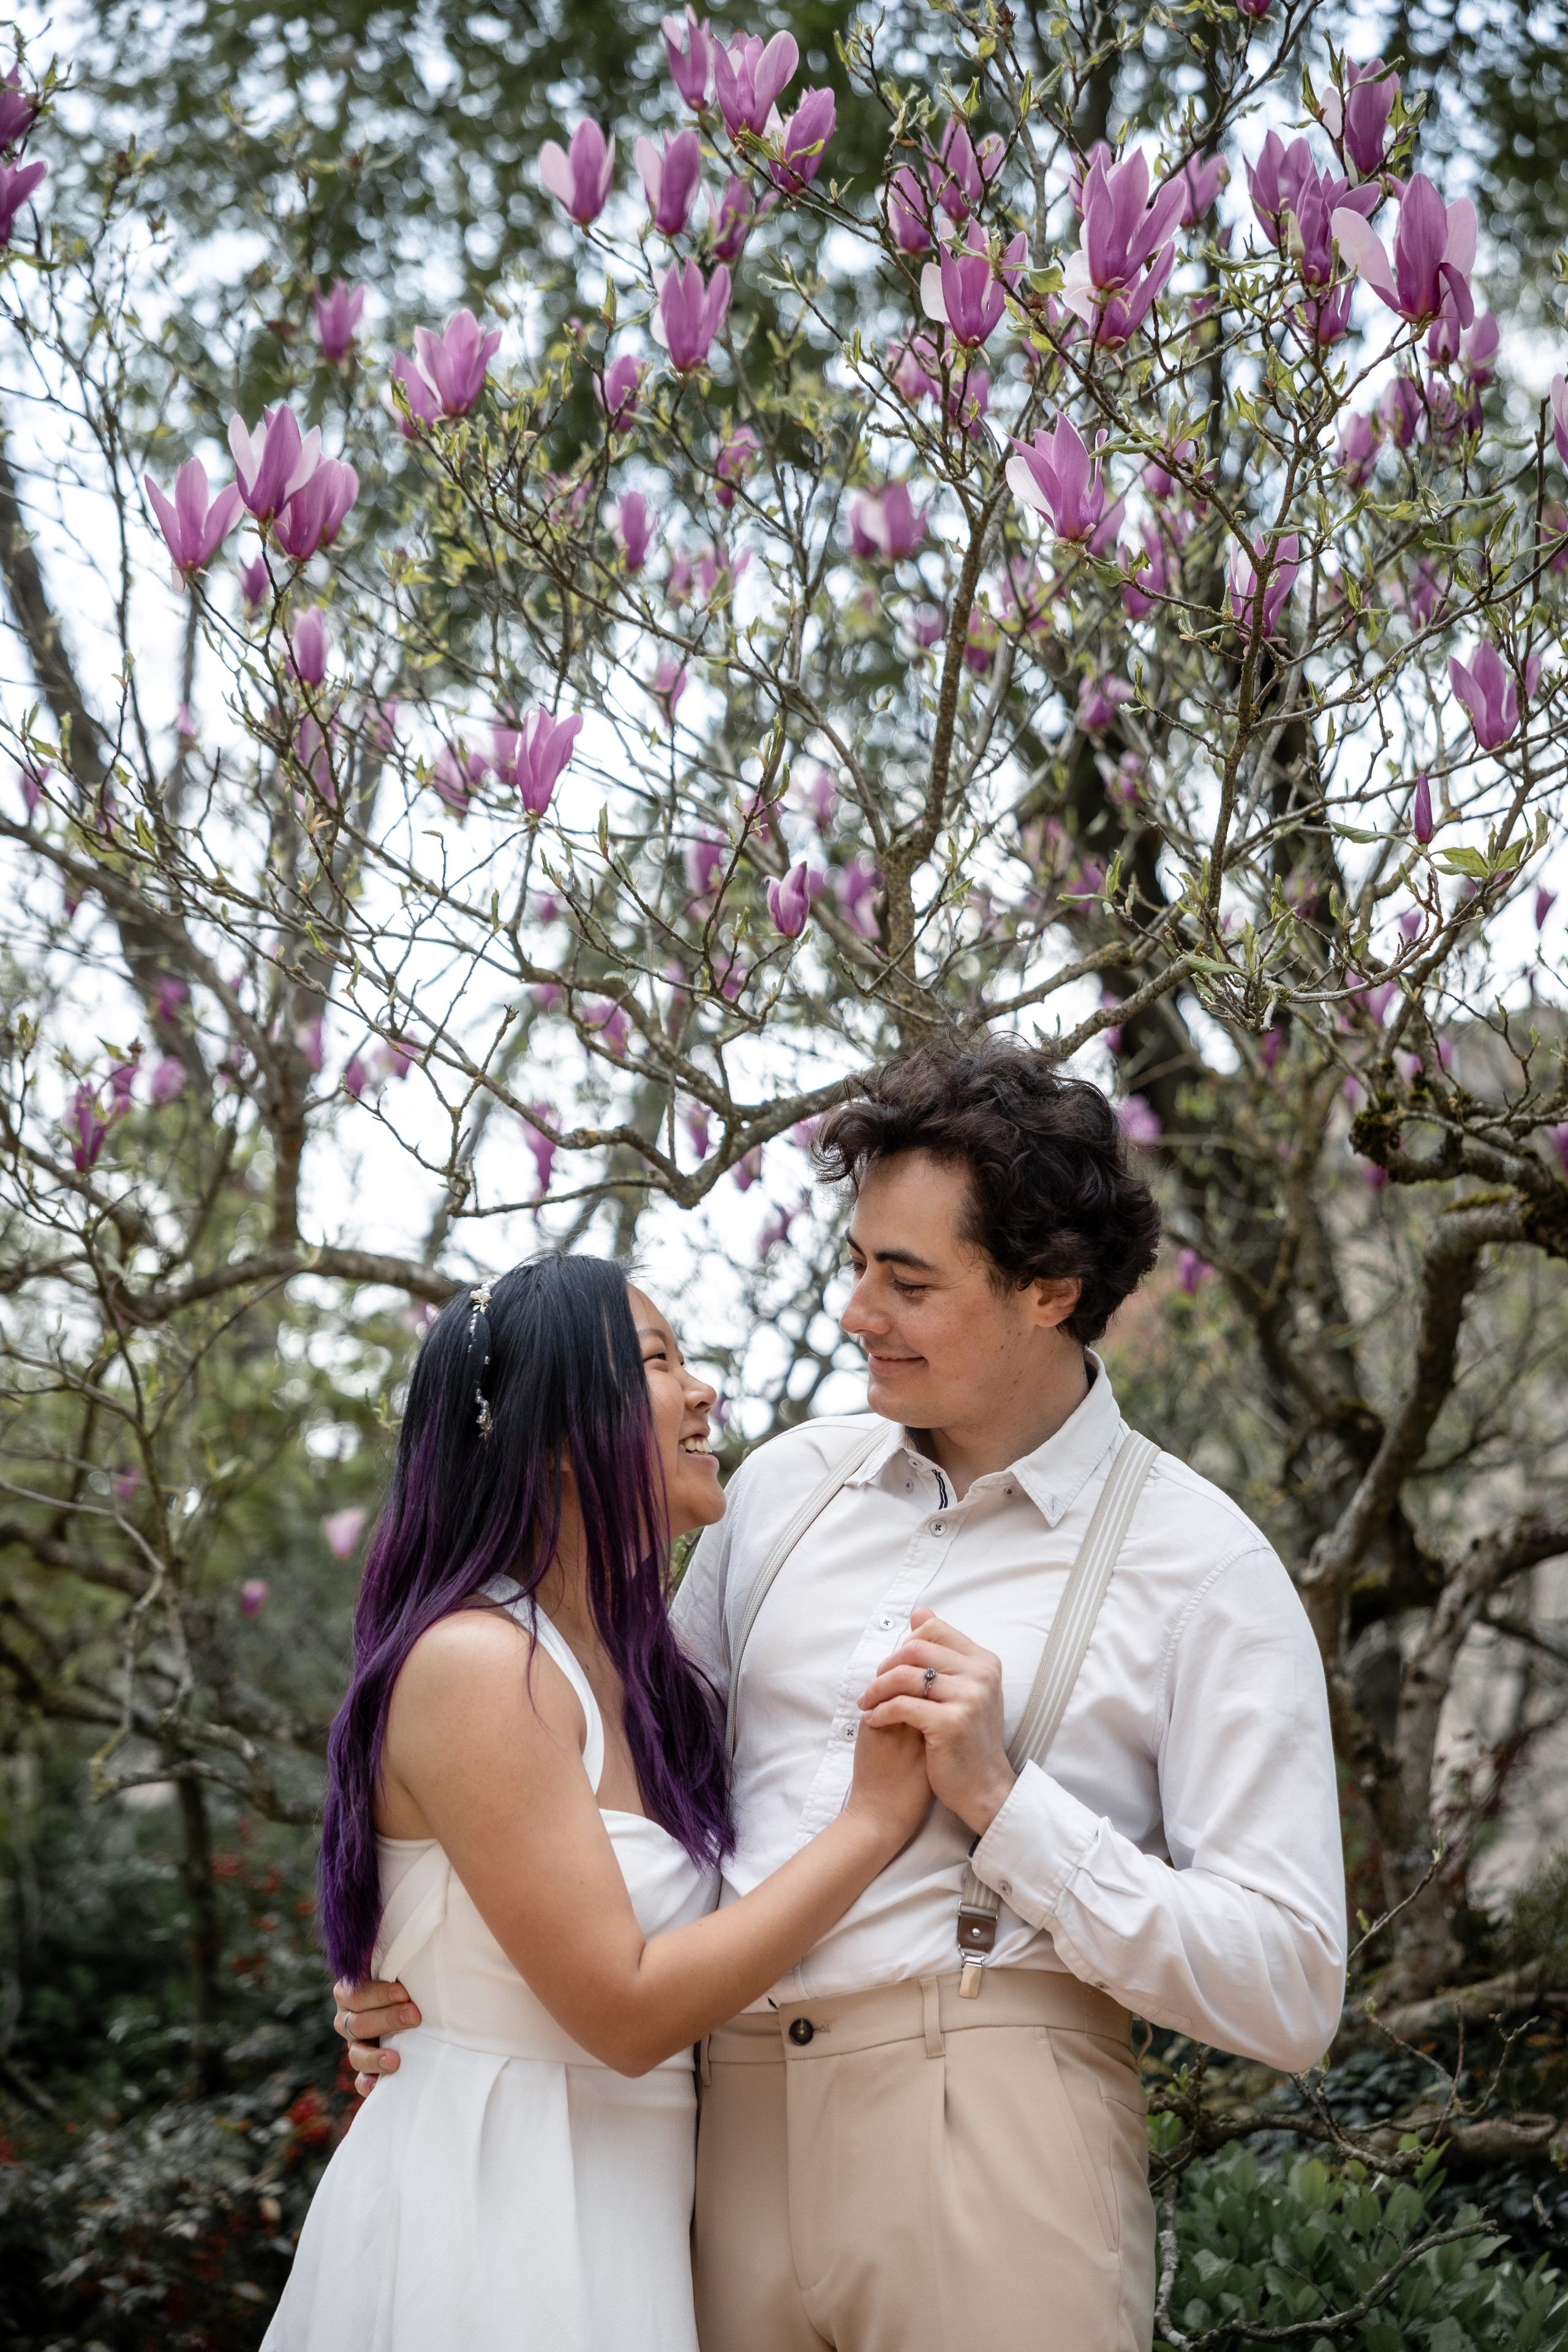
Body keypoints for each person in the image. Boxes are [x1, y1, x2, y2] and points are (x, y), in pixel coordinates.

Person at [339, 1039, 1348, 2352]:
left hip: (985, 2128)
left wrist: (1006, 1807)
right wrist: (432, 1969)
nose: (853, 1313)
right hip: (710, 2141)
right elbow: (604, 1792)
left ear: (1047, 1289)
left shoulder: (1199, 1564)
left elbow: (1287, 1990)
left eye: (905, 1279)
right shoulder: (781, 1491)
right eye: (855, 1264)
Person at [266, 1253, 931, 2352]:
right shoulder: (479, 1665)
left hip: (640, 2210)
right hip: (493, 2218)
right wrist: (870, 1824)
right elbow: (622, 2012)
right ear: (564, 1432)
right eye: (661, 1361)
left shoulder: (660, 1677)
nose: (705, 1390)